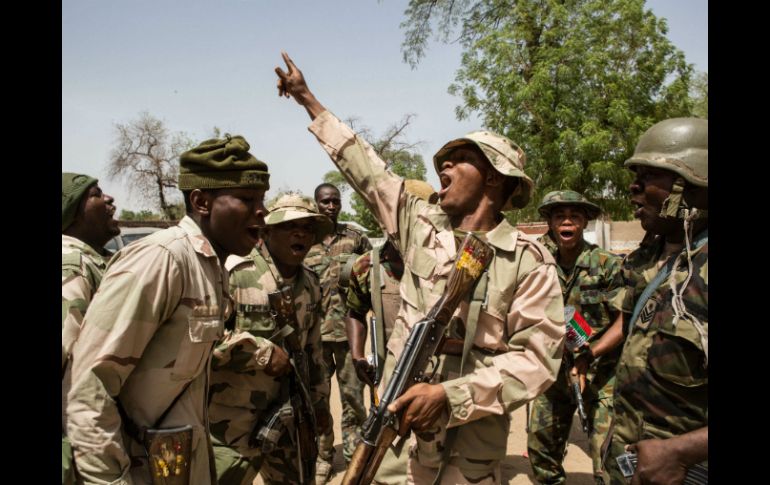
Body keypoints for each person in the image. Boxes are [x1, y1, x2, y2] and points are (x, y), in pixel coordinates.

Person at [275, 52, 565, 484]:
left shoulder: (527, 260)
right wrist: (307, 100)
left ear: (493, 177)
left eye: (460, 158)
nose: (442, 166)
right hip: (399, 436)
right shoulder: (419, 224)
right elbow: (365, 168)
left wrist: (450, 396)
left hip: (469, 444)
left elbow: (537, 361)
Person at [66, 134, 269, 484]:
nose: (261, 211)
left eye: (261, 199)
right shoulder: (164, 259)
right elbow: (90, 388)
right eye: (247, 199)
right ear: (201, 201)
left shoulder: (209, 265)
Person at [602, 118, 708, 484]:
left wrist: (683, 451)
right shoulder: (648, 255)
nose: (633, 188)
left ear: (690, 183)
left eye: (647, 176)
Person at [208, 193, 334, 484]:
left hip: (291, 416)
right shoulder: (234, 275)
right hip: (233, 420)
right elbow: (203, 341)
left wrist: (319, 404)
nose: (301, 233)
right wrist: (261, 352)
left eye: (307, 227)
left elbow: (314, 352)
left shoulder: (312, 284)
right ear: (267, 231)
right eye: (290, 226)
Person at [526, 190, 623, 485]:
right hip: (553, 371)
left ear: (584, 223)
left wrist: (588, 355)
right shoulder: (538, 264)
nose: (567, 222)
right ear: (551, 224)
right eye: (559, 216)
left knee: (607, 458)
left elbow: (624, 320)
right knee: (541, 450)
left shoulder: (606, 264)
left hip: (599, 374)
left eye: (574, 216)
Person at [344, 180, 436, 485]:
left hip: (436, 388)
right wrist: (358, 356)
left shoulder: (447, 266)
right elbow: (355, 312)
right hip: (388, 385)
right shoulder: (367, 266)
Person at [304, 182, 372, 481]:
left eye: (335, 201)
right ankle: (323, 457)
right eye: (324, 202)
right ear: (316, 204)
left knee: (354, 400)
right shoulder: (304, 239)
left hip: (349, 336)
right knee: (317, 401)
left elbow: (375, 274)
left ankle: (355, 456)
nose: (330, 206)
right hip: (315, 337)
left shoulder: (356, 239)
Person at [61, 172, 121, 484]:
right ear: (72, 209)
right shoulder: (71, 263)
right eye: (96, 194)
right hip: (81, 442)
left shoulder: (95, 260)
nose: (109, 199)